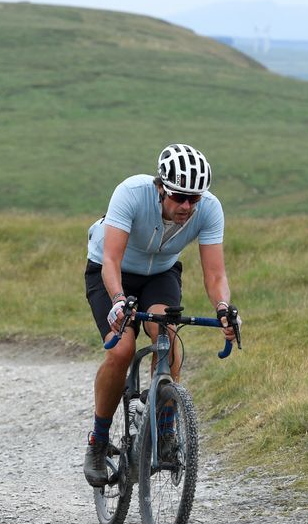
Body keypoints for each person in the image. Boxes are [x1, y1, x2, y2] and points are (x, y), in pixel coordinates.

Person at [81, 143, 241, 487]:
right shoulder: (131, 193)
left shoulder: (209, 209)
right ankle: (98, 440)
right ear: (161, 187)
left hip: (160, 275)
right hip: (112, 272)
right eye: (179, 197)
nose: (186, 206)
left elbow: (215, 275)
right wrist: (119, 300)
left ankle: (166, 431)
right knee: (121, 349)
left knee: (169, 343)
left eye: (193, 199)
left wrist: (224, 309)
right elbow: (110, 260)